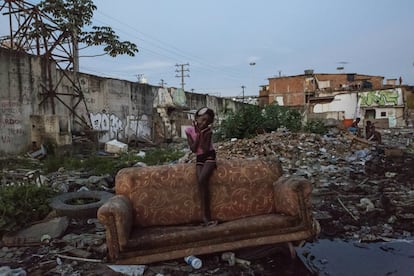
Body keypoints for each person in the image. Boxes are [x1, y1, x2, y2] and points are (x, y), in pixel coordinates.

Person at [185, 107, 217, 226]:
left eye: (207, 121)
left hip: (209, 156)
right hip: (199, 158)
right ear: (196, 118)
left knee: (202, 179)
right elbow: (193, 149)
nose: (203, 123)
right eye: (202, 120)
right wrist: (198, 134)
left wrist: (202, 132)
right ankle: (205, 217)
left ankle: (207, 217)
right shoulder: (189, 130)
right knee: (201, 184)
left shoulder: (208, 132)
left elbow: (204, 148)